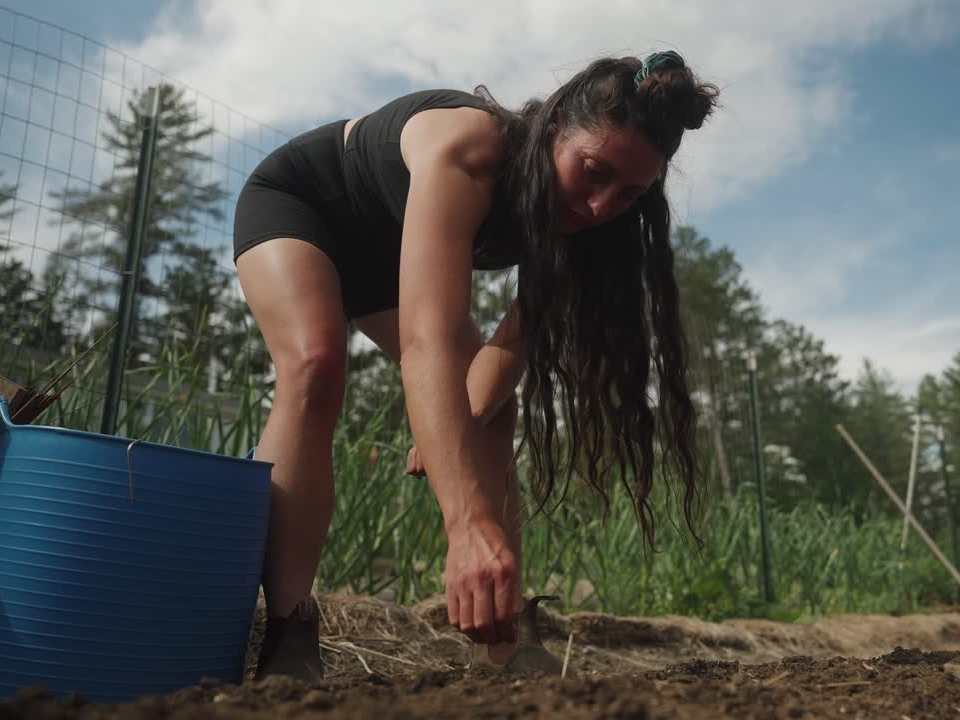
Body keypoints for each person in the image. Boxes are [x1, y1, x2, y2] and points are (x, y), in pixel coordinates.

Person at [232, 50, 718, 681]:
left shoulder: (590, 229)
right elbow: (426, 339)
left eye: (629, 194)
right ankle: (289, 630)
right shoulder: (471, 149)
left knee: (490, 410)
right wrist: (465, 521)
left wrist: (453, 430)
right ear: (552, 131)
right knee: (315, 364)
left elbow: (506, 354)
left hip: (388, 262)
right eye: (593, 172)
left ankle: (502, 641)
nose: (601, 206)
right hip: (305, 208)